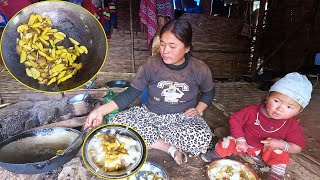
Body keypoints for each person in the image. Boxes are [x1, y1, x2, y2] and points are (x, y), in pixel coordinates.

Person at [84, 19, 215, 165]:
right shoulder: (151, 64)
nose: (165, 51)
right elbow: (131, 94)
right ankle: (169, 148)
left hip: (181, 119)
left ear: (187, 48)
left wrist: (198, 109)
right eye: (163, 44)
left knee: (202, 137)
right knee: (116, 122)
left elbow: (209, 93)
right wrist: (100, 111)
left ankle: (150, 137)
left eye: (172, 46)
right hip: (150, 115)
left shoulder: (199, 69)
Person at [201, 72, 313, 180]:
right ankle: (216, 153)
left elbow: (297, 148)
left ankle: (276, 174)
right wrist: (240, 139)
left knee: (280, 153)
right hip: (243, 143)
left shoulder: (292, 125)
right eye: (277, 101)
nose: (280, 109)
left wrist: (281, 144)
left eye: (289, 107)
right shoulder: (252, 111)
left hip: (265, 150)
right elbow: (235, 120)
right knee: (228, 141)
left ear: (299, 111)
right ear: (268, 96)